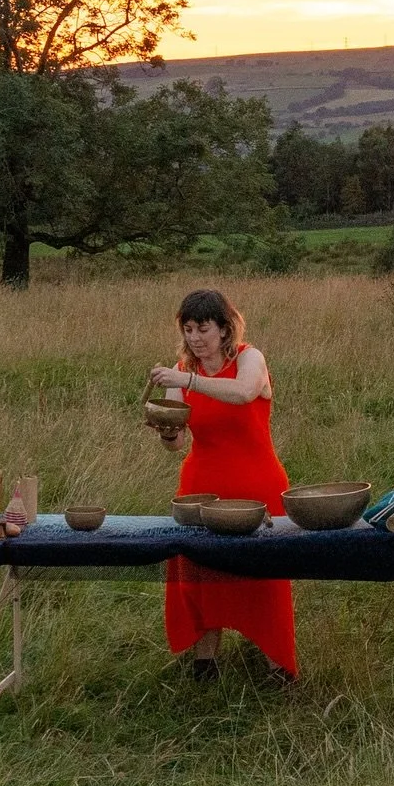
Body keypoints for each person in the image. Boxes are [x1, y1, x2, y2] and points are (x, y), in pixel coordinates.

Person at [149, 288, 297, 681]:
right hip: (201, 485)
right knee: (199, 572)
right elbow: (176, 442)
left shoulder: (250, 359)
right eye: (189, 329)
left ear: (225, 329)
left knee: (262, 576)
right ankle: (205, 664)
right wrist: (166, 431)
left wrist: (187, 380)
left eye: (204, 329)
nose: (196, 338)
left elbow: (244, 392)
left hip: (256, 483)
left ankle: (276, 665)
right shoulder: (183, 371)